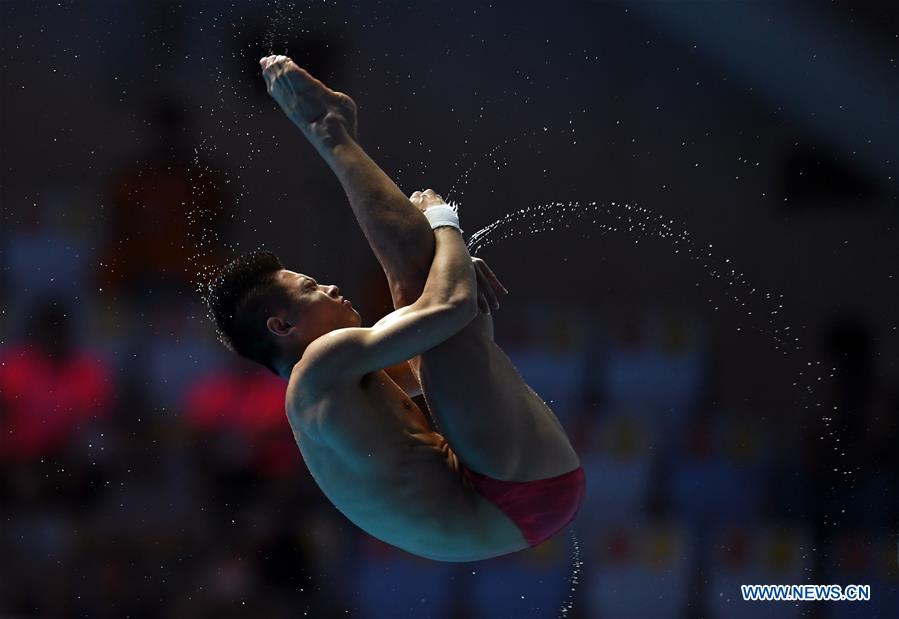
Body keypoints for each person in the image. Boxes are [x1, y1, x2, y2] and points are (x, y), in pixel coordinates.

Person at [205, 55, 584, 562]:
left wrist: (455, 267)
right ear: (283, 324)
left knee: (423, 295)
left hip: (508, 503)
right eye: (312, 287)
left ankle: (336, 133)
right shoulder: (319, 365)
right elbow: (449, 305)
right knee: (420, 278)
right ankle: (332, 133)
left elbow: (450, 320)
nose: (332, 286)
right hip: (513, 495)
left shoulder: (330, 389)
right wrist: (442, 219)